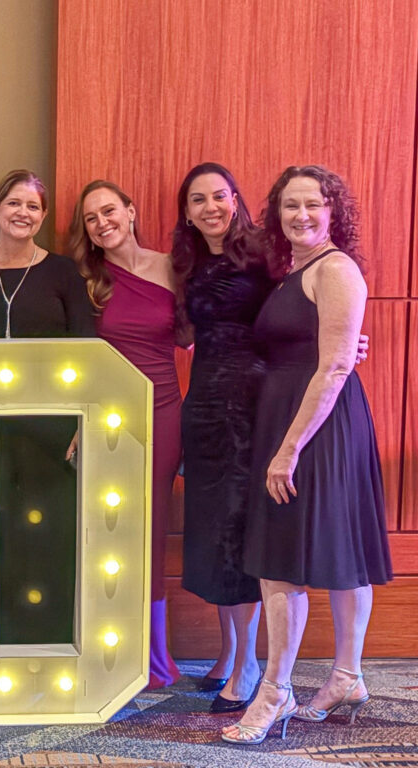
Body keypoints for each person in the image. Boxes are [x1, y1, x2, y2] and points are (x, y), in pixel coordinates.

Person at [222, 166, 391, 744]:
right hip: (295, 418)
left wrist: (287, 449)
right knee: (319, 551)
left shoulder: (337, 268)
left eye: (314, 205)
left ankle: (276, 690)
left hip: (317, 428)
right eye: (291, 206)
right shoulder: (294, 269)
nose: (302, 216)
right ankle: (346, 676)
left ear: (333, 211)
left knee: (283, 562)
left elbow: (338, 364)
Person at [0, 169, 94, 648]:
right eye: (13, 203)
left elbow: (85, 348)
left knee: (48, 534)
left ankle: (48, 638)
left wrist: (81, 421)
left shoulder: (62, 272)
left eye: (32, 206)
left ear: (43, 215)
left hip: (51, 428)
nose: (22, 213)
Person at [70, 179, 185, 689]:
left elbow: (201, 333)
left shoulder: (172, 268)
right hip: (107, 414)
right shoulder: (86, 278)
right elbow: (77, 359)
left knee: (151, 529)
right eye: (92, 218)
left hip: (163, 411)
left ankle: (153, 658)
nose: (102, 222)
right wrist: (78, 421)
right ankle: (105, 650)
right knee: (104, 530)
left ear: (131, 211)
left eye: (109, 210)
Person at [172, 163, 272, 709]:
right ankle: (230, 650)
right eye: (197, 200)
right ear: (185, 211)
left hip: (250, 405)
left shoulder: (263, 252)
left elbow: (307, 304)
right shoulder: (188, 263)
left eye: (219, 196)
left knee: (237, 532)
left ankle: (250, 662)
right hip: (204, 403)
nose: (210, 206)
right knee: (211, 530)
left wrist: (348, 340)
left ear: (236, 199)